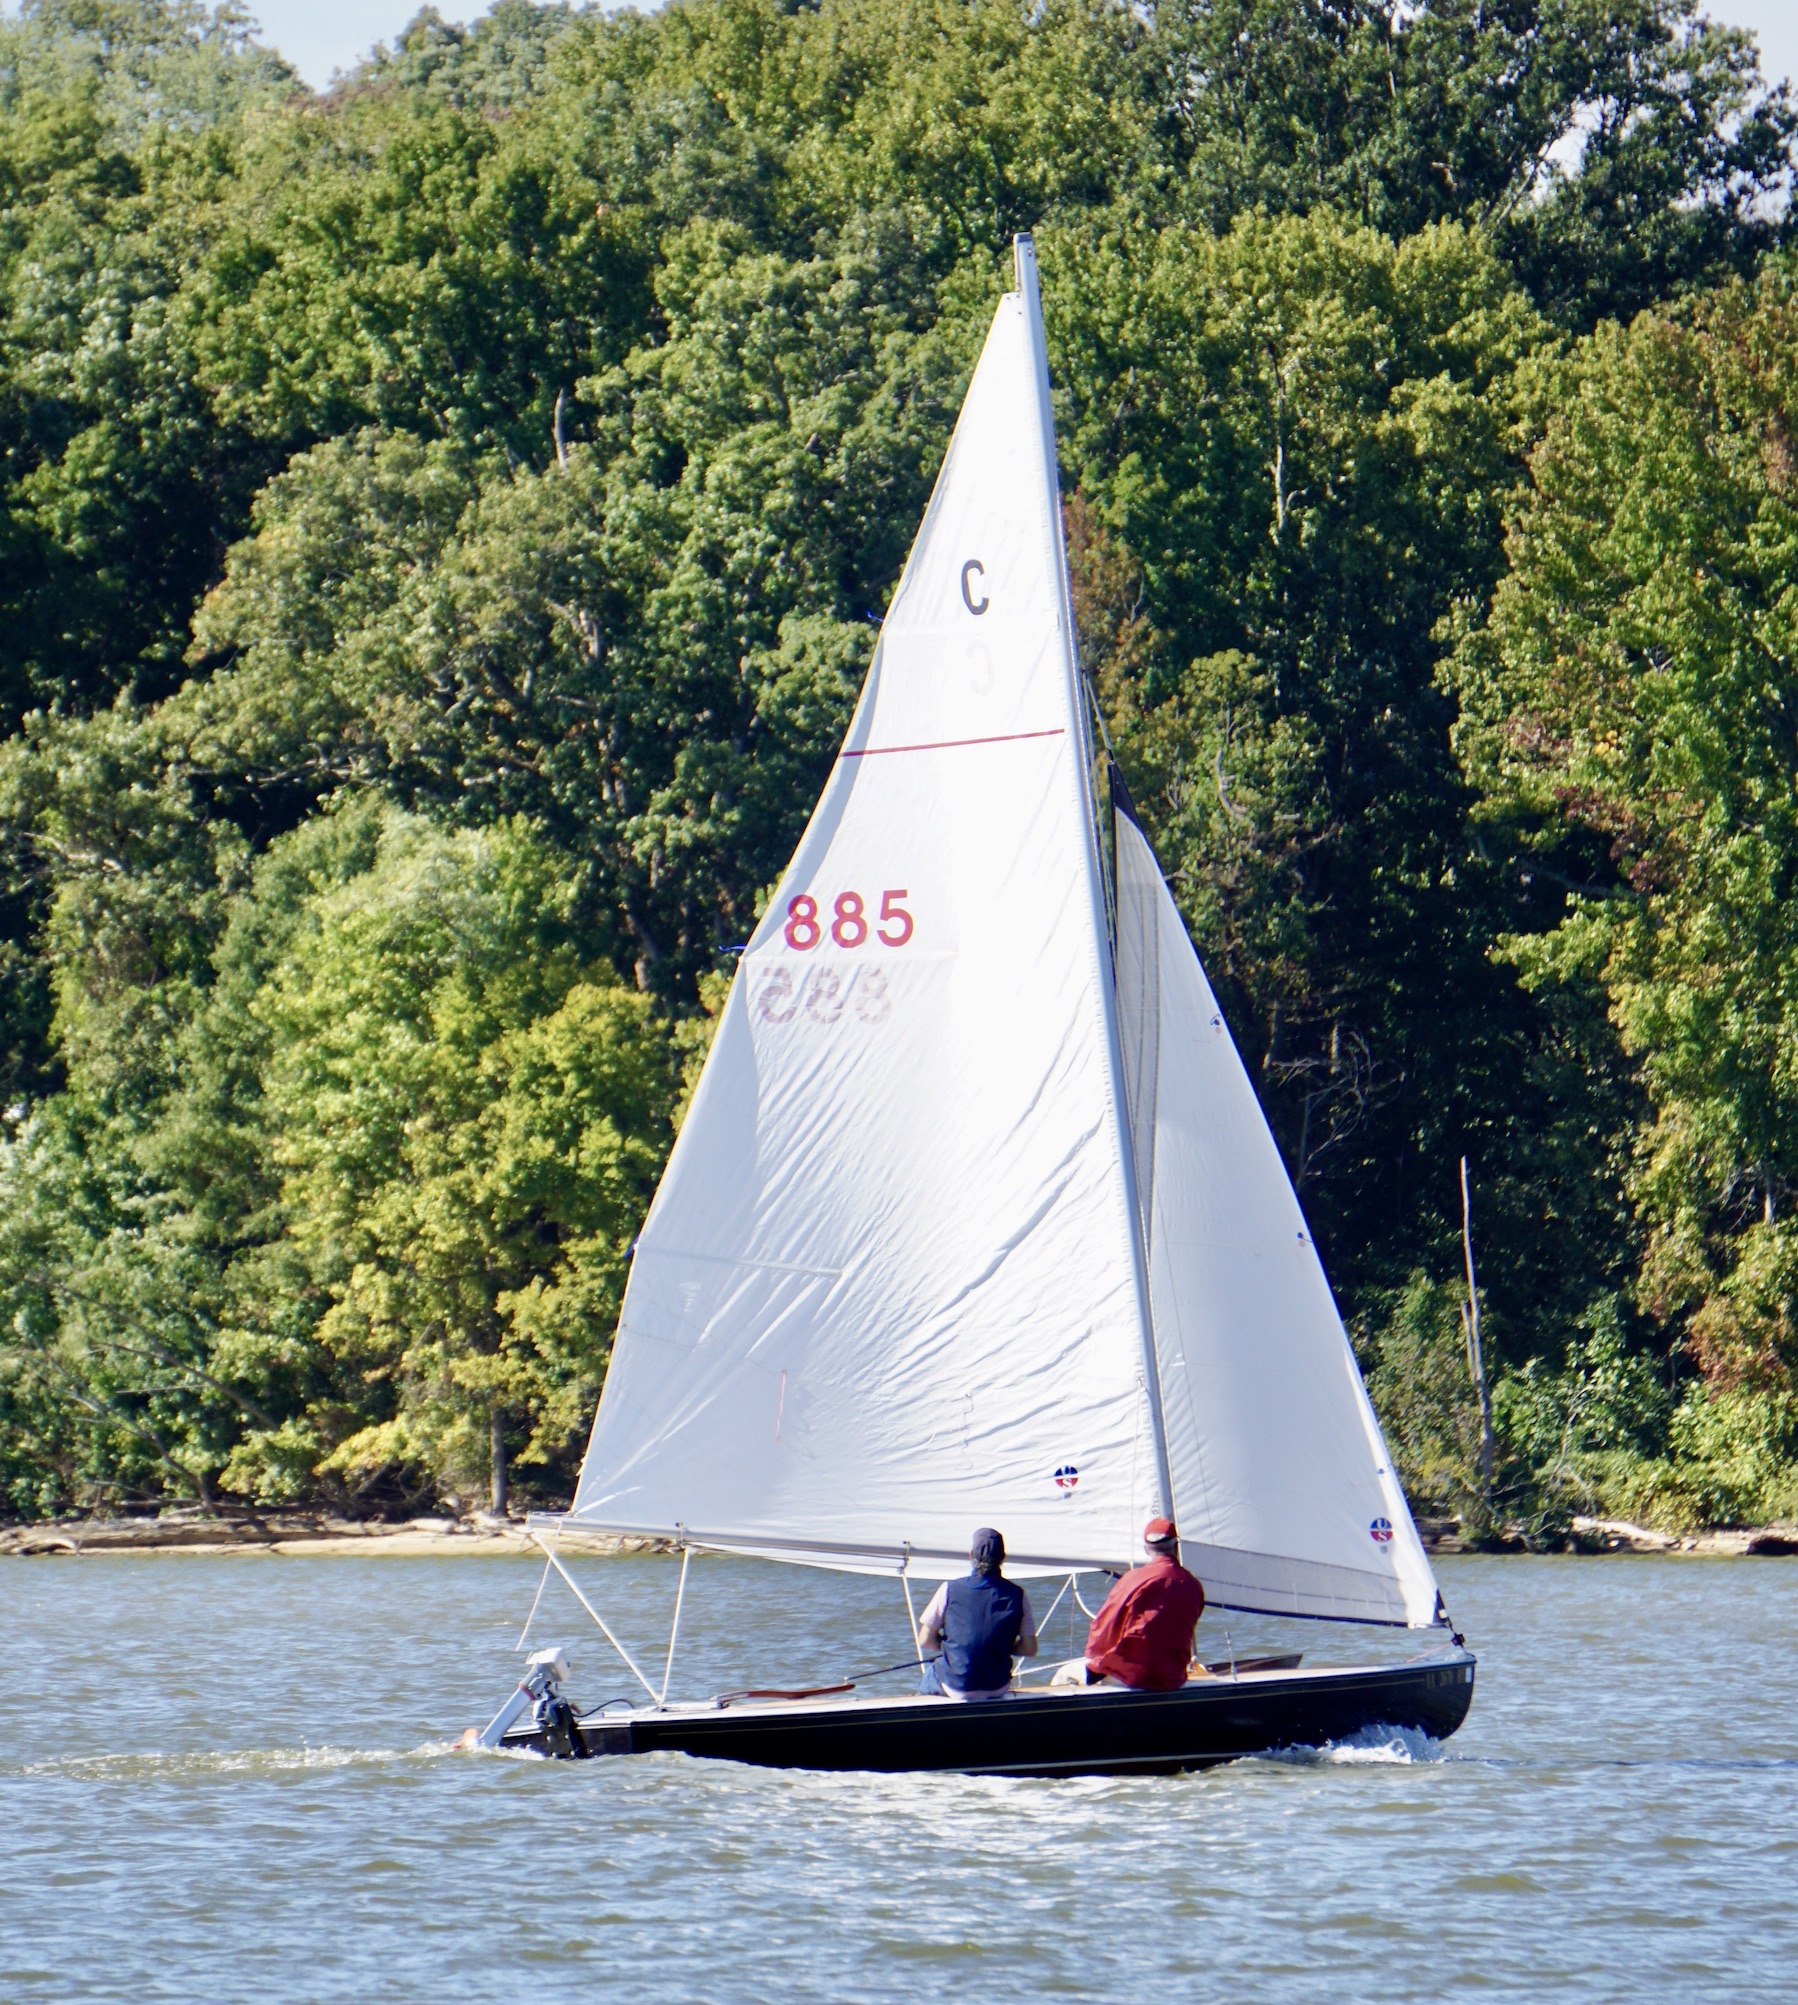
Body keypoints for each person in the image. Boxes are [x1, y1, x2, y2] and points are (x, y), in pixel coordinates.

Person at [1076, 1516, 1206, 1691]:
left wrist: (1094, 1664)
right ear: (1176, 1546)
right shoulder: (1193, 1585)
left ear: (1146, 1549)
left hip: (1130, 1676)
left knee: (1065, 1674)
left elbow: (1103, 1626)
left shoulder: (1132, 1579)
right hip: (1173, 1676)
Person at [917, 1528, 1039, 1700]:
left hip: (957, 1687)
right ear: (1003, 1558)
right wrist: (999, 1646)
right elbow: (1030, 1648)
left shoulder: (949, 1589)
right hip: (998, 1686)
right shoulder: (1018, 1594)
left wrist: (952, 1649)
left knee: (931, 1673)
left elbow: (925, 1640)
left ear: (971, 1555)